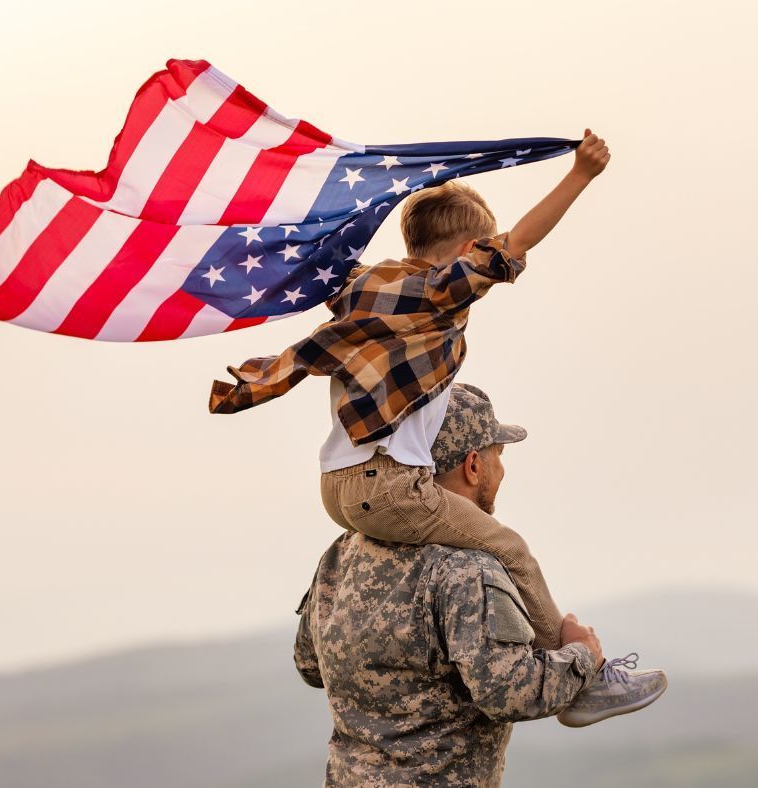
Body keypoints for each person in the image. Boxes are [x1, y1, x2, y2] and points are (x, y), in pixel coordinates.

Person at [213, 132, 609, 651]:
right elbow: (516, 244)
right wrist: (580, 175)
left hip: (336, 485)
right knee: (510, 549)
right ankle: (575, 663)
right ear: (470, 251)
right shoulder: (439, 292)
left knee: (432, 537)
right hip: (388, 484)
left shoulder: (367, 284)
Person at [294, 386, 668, 786]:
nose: (502, 471)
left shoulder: (341, 554)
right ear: (473, 465)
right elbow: (508, 690)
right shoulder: (466, 569)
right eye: (498, 457)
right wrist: (582, 657)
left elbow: (310, 665)